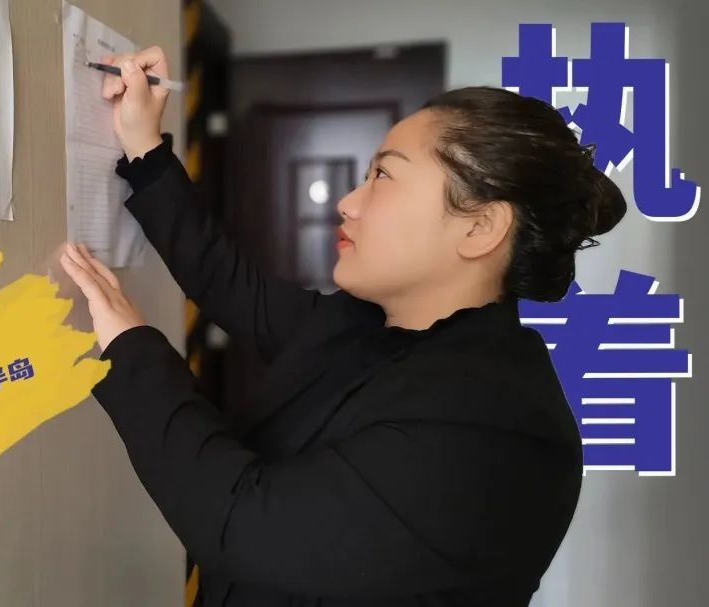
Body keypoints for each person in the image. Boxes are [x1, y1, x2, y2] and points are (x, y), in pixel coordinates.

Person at [57, 46, 627, 607]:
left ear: (479, 228)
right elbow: (229, 283)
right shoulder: (369, 327)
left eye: (384, 175)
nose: (349, 202)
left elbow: (249, 525)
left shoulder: (502, 427)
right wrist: (144, 145)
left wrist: (134, 350)